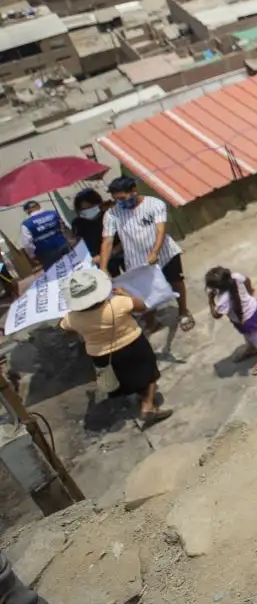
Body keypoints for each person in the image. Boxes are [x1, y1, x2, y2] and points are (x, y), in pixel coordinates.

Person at [59, 265, 170, 427]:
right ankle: (148, 404)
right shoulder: (118, 303)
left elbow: (64, 328)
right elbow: (142, 307)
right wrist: (127, 295)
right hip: (133, 344)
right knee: (149, 372)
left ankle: (136, 395)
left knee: (121, 378)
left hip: (101, 355)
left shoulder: (73, 318)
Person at [98, 175, 194, 331]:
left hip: (165, 254)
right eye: (117, 200)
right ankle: (151, 319)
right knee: (144, 291)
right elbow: (107, 241)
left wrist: (155, 252)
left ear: (133, 191)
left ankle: (183, 311)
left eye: (122, 198)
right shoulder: (112, 214)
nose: (120, 202)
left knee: (176, 282)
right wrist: (103, 267)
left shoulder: (154, 204)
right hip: (137, 261)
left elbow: (160, 230)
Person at [205, 266, 257, 374]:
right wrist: (249, 292)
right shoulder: (235, 277)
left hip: (246, 319)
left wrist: (211, 300)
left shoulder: (223, 300)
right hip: (252, 308)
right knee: (249, 335)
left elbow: (216, 315)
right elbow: (246, 280)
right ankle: (252, 348)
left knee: (254, 335)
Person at [68, 188, 122, 274]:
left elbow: (124, 241)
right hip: (95, 264)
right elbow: (77, 243)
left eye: (90, 207)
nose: (87, 211)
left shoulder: (111, 216)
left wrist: (105, 255)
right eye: (83, 209)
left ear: (98, 204)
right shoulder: (78, 223)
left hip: (119, 257)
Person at [20, 199, 71, 267]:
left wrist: (32, 255)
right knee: (72, 265)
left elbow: (27, 243)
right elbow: (65, 226)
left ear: (27, 210)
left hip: (45, 252)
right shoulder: (53, 213)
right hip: (62, 245)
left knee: (55, 274)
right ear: (39, 206)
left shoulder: (26, 224)